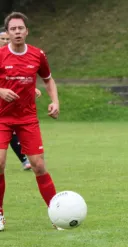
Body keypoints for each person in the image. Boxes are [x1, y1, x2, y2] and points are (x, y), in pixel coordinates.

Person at [0, 12, 60, 232]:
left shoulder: (37, 55)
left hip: (27, 119)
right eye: (13, 29)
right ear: (7, 32)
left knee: (39, 166)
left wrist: (55, 102)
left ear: (26, 31)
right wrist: (1, 91)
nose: (17, 32)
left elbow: (48, 79)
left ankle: (57, 213)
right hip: (2, 118)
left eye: (20, 28)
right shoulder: (0, 55)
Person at [0, 29, 33, 170]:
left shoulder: (13, 57)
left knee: (11, 131)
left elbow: (18, 79)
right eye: (3, 39)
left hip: (7, 106)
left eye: (8, 39)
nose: (6, 42)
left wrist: (31, 88)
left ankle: (25, 160)